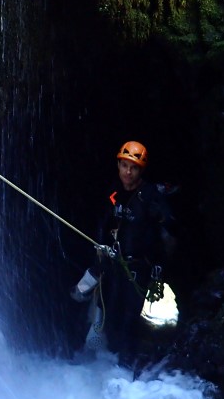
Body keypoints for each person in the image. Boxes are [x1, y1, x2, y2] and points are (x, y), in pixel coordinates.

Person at [70, 140, 175, 364]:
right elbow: (103, 223)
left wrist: (160, 264)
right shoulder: (114, 192)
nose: (128, 172)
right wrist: (100, 252)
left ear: (141, 170)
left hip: (138, 268)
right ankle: (88, 358)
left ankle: (125, 364)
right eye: (124, 166)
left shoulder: (151, 197)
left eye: (134, 167)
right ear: (118, 165)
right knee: (99, 307)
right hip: (112, 263)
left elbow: (167, 233)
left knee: (129, 318)